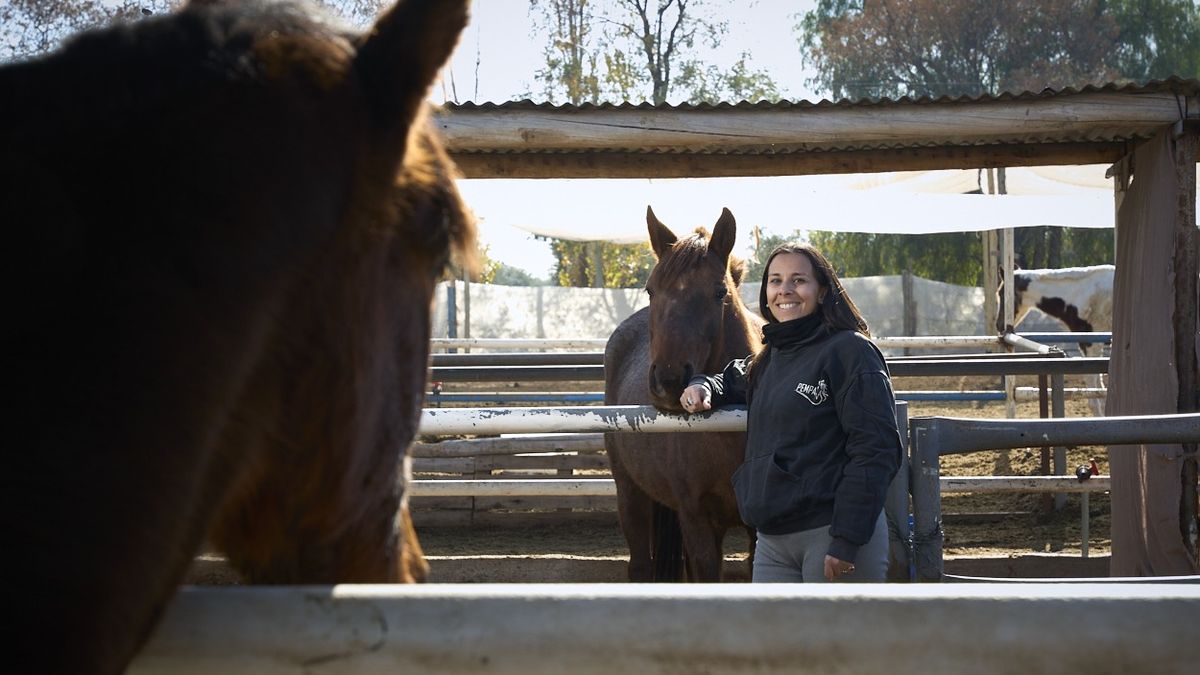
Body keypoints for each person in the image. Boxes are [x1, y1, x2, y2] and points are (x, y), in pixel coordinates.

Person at [679, 243, 903, 582]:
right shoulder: (770, 359)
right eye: (775, 280)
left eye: (799, 280)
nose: (784, 290)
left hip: (831, 533)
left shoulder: (850, 352)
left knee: (836, 637)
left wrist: (846, 540)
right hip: (772, 541)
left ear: (823, 289)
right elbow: (732, 378)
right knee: (773, 637)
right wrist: (703, 386)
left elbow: (876, 448)